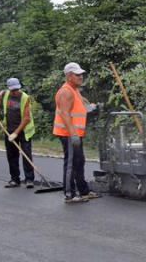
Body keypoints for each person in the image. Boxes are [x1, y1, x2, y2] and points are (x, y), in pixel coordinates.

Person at [53, 62, 101, 203]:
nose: (81, 77)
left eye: (81, 74)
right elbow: (65, 114)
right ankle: (70, 194)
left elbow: (80, 108)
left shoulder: (75, 90)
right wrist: (73, 134)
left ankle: (84, 191)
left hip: (75, 134)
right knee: (71, 164)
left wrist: (91, 108)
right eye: (77, 74)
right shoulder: (66, 91)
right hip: (68, 134)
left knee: (79, 162)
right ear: (68, 76)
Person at [0, 78, 36, 189]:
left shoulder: (25, 97)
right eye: (13, 90)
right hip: (9, 129)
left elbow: (26, 118)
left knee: (26, 155)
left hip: (24, 131)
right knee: (12, 155)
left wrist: (16, 133)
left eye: (17, 89)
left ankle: (29, 179)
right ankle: (15, 179)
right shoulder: (5, 94)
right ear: (8, 89)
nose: (15, 92)